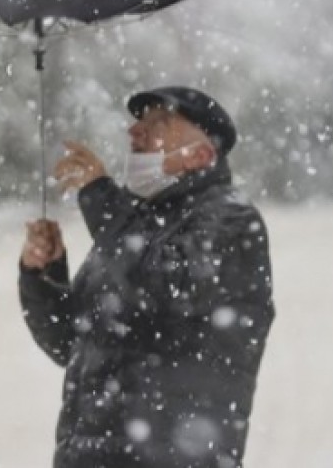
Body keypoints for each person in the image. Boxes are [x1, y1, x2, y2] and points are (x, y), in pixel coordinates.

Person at [18, 86, 275, 468]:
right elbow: (70, 342)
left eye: (159, 124)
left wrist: (103, 201)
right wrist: (43, 274)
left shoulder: (231, 220)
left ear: (201, 155)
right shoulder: (131, 225)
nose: (134, 133)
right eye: (139, 123)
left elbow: (167, 289)